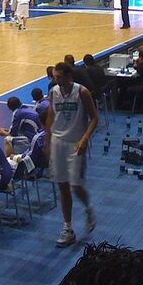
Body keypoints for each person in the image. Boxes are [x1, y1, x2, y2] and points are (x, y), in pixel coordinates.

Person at [44, 61, 99, 247]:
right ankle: (67, 228)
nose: (56, 80)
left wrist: (85, 138)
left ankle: (88, 208)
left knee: (76, 186)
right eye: (54, 77)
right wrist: (47, 141)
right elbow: (51, 116)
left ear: (69, 76)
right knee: (62, 186)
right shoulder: (53, 92)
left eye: (59, 77)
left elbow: (94, 119)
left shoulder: (82, 92)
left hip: (76, 143)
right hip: (58, 141)